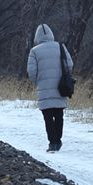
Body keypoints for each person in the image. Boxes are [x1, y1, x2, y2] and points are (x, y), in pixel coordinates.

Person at [26, 20, 73, 152]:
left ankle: (52, 142)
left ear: (37, 37)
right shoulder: (60, 46)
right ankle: (58, 140)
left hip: (44, 88)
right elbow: (70, 65)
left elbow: (31, 71)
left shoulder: (34, 51)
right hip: (60, 87)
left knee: (47, 116)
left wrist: (37, 82)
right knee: (59, 114)